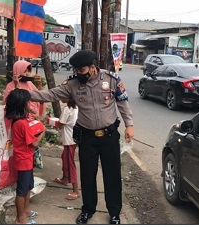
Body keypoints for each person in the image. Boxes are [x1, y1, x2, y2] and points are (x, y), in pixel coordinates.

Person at [18, 49, 134, 225]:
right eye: (76, 70)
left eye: (81, 70)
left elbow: (123, 102)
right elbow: (51, 94)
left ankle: (114, 212)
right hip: (87, 137)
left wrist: (129, 124)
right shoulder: (72, 85)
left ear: (93, 67)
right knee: (87, 176)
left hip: (109, 136)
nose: (78, 74)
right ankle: (88, 209)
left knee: (112, 175)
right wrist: (24, 94)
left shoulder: (111, 80)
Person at [5, 88, 46, 224]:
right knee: (22, 191)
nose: (31, 104)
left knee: (28, 187)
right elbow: (34, 143)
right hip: (24, 160)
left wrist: (34, 115)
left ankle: (26, 211)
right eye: (29, 102)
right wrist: (42, 132)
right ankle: (20, 219)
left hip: (26, 159)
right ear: (23, 104)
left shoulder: (19, 121)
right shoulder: (22, 124)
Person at [52, 98, 80, 200]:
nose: (60, 98)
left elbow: (60, 125)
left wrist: (54, 122)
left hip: (68, 140)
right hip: (74, 139)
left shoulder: (67, 109)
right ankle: (65, 178)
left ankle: (76, 190)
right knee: (64, 157)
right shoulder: (76, 108)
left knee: (69, 163)